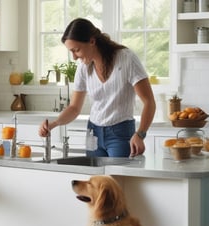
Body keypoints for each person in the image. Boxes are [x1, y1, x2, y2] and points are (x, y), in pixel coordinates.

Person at [39, 18, 156, 158]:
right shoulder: (83, 68)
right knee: (94, 180)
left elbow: (149, 102)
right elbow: (74, 108)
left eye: (76, 50)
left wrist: (140, 134)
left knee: (118, 179)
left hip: (120, 133)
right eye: (71, 52)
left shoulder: (126, 59)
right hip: (93, 133)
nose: (74, 57)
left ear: (92, 41)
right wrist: (53, 124)